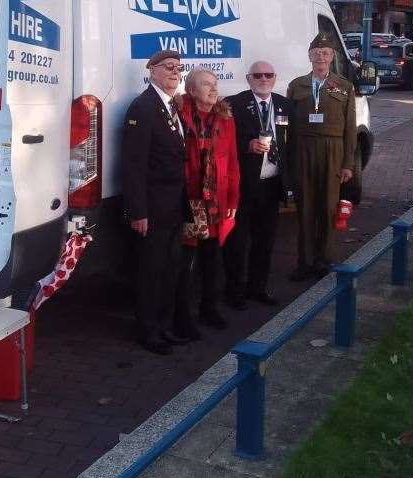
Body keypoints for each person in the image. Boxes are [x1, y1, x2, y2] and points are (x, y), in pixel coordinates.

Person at [122, 49, 189, 355]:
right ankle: (147, 331)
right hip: (152, 208)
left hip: (173, 205)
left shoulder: (172, 105)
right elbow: (133, 164)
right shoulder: (143, 107)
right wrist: (138, 211)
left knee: (171, 268)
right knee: (150, 272)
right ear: (152, 71)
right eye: (168, 67)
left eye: (178, 67)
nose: (175, 72)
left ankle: (164, 326)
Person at [285, 33, 357, 280]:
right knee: (305, 207)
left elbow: (350, 129)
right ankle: (304, 262)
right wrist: (290, 159)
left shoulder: (345, 87)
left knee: (328, 207)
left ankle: (323, 261)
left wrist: (348, 164)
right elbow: (288, 126)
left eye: (325, 53)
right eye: (316, 53)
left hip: (333, 150)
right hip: (304, 148)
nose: (320, 57)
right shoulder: (297, 86)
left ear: (332, 57)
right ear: (309, 56)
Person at [223, 61, 290, 309]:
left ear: (275, 78)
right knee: (237, 242)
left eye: (268, 75)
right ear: (248, 79)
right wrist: (247, 145)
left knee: (265, 240)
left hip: (271, 185)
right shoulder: (235, 104)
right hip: (244, 185)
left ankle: (258, 288)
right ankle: (235, 292)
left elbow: (288, 144)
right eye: (258, 75)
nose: (263, 79)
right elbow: (224, 143)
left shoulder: (284, 104)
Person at [176, 68, 240, 331]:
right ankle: (183, 314)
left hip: (215, 200)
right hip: (188, 200)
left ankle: (209, 308)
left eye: (215, 84)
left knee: (211, 259)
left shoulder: (225, 119)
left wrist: (234, 201)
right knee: (186, 261)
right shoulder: (179, 116)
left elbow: (233, 163)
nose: (214, 89)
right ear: (191, 90)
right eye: (207, 85)